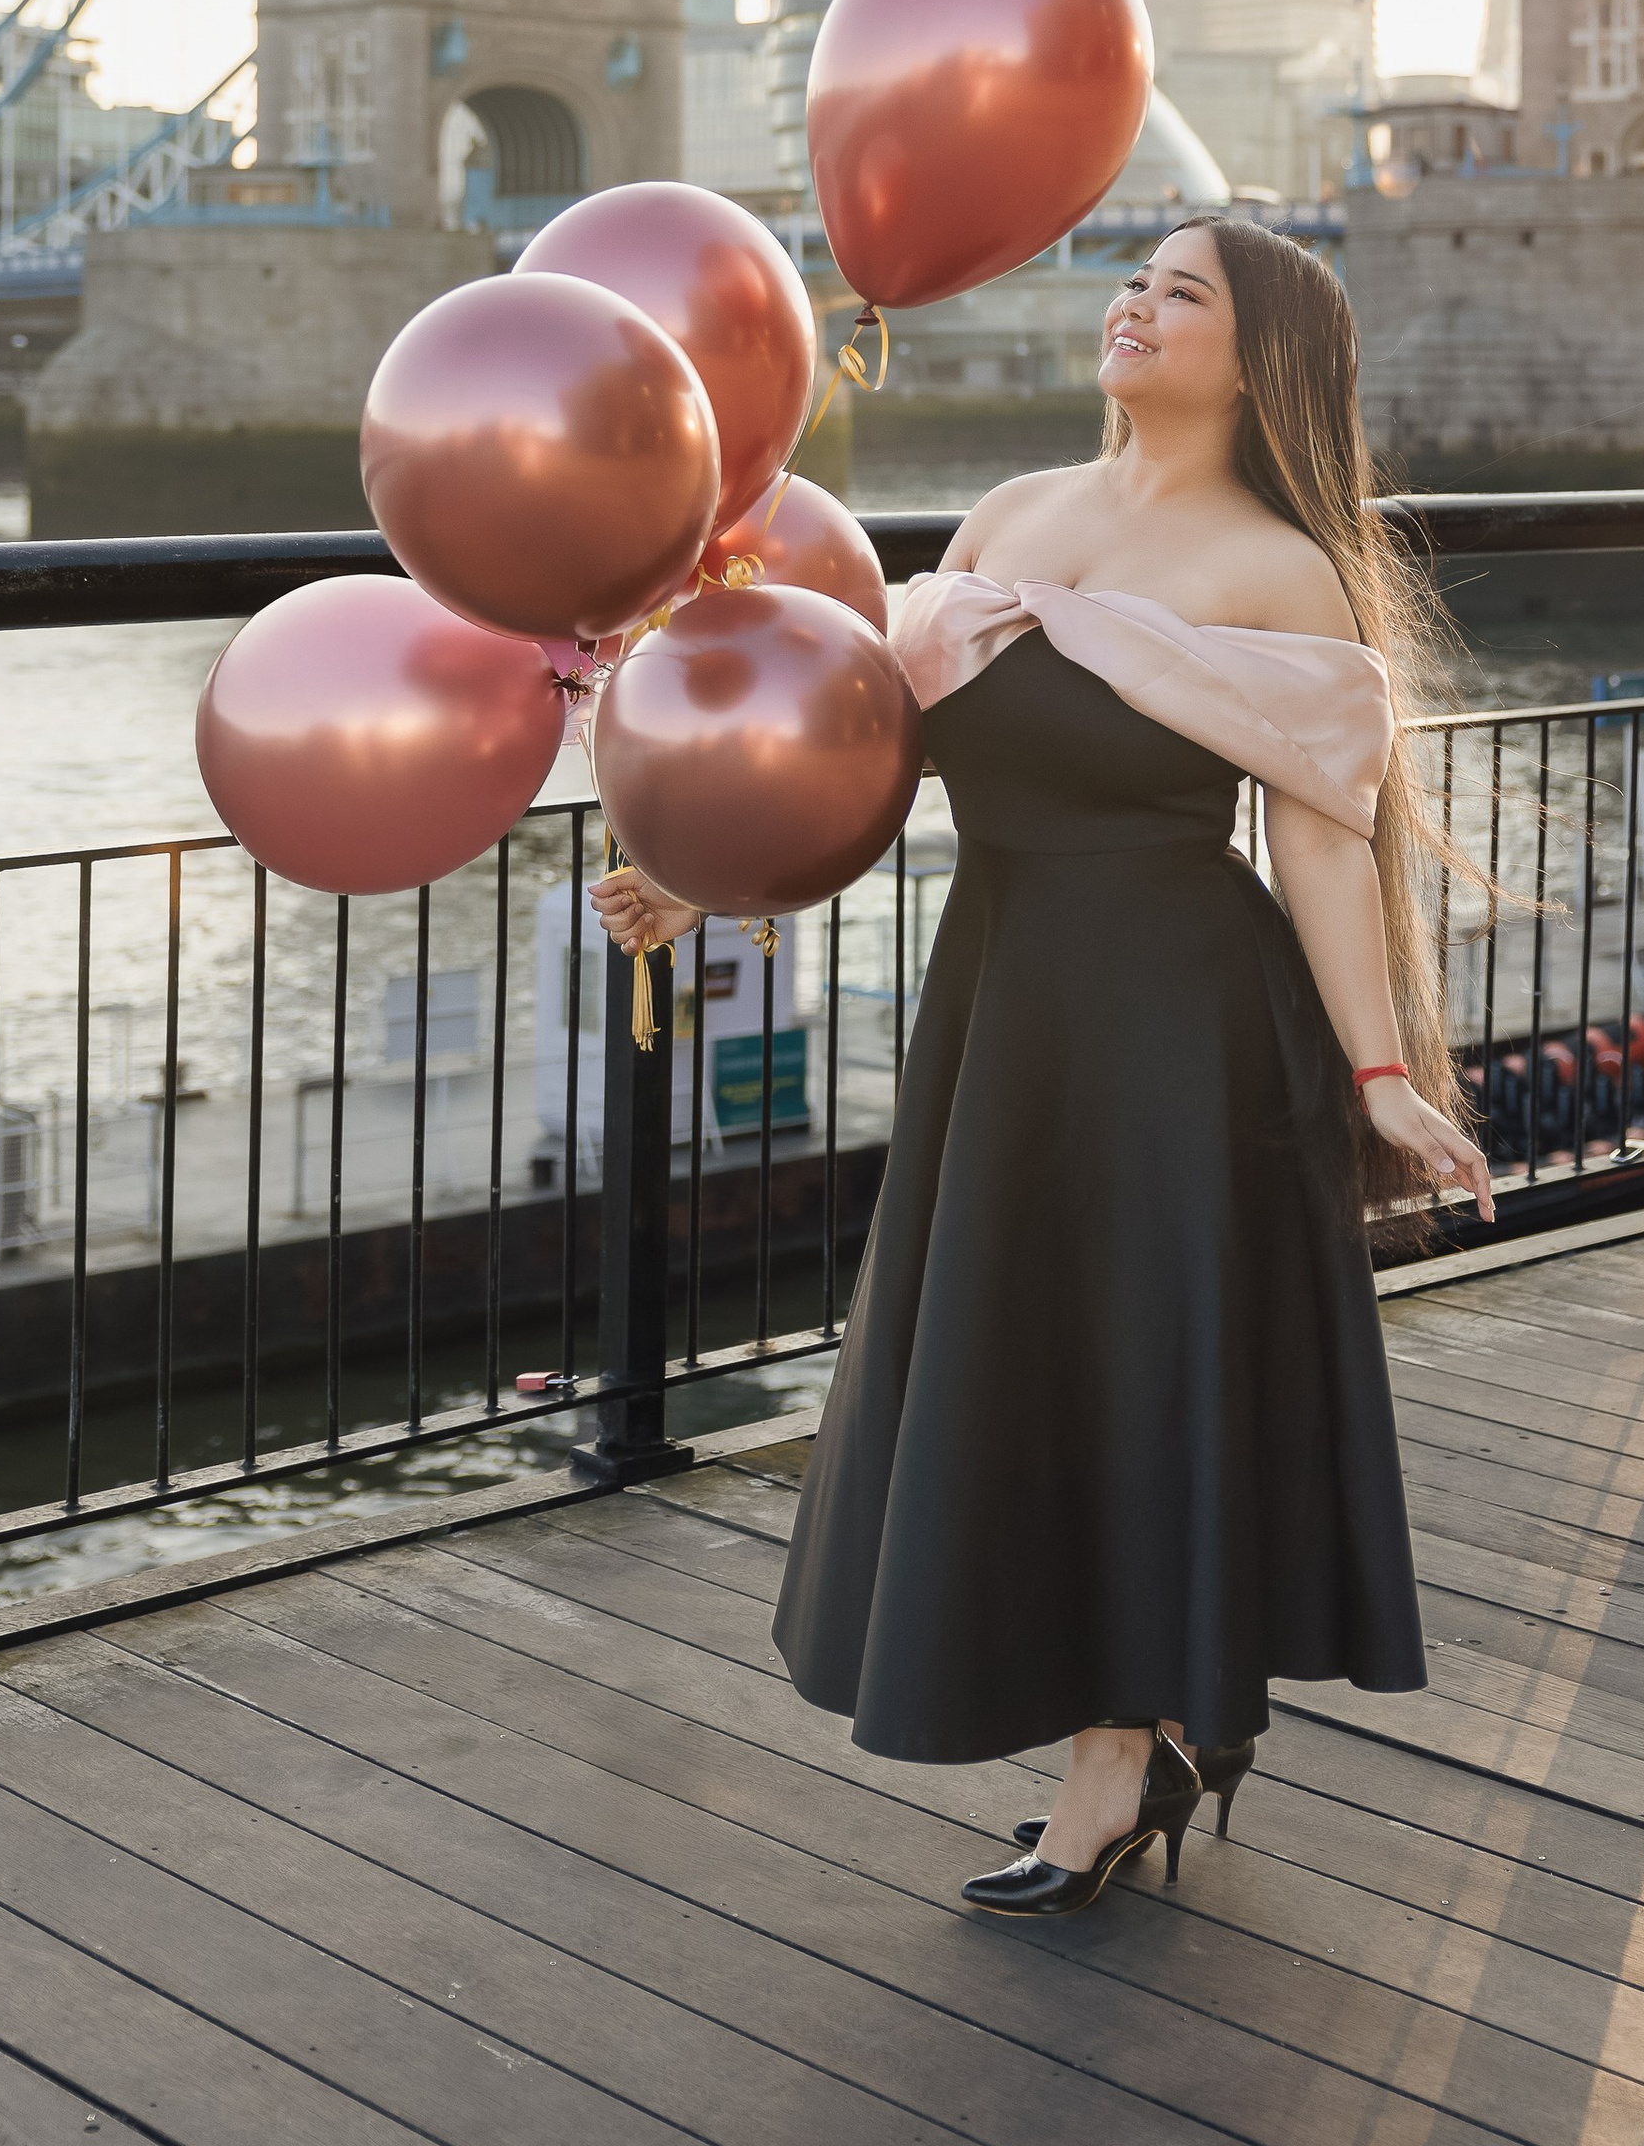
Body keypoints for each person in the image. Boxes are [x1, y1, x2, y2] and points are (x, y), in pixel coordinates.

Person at [592, 214, 1489, 1919]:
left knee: (1137, 1384)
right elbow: (867, 752)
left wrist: (1381, 1078)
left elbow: (1315, 848)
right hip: (1004, 1003)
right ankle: (1134, 1739)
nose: (1135, 306)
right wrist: (710, 864)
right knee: (1031, 1374)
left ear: (1262, 357)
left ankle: (1115, 1758)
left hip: (1176, 1024)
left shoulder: (1280, 570)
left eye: (1182, 293)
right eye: (1133, 280)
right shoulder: (1011, 520)